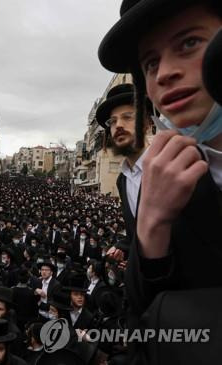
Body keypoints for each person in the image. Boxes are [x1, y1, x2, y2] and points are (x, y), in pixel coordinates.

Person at [98, 0, 222, 363]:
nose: (165, 72)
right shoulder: (164, 181)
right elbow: (147, 326)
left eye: (188, 44)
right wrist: (151, 229)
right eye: (150, 63)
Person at [95, 83, 151, 261]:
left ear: (147, 123)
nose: (118, 125)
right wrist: (123, 247)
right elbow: (138, 234)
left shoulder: (172, 165)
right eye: (113, 121)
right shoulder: (123, 179)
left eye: (127, 117)